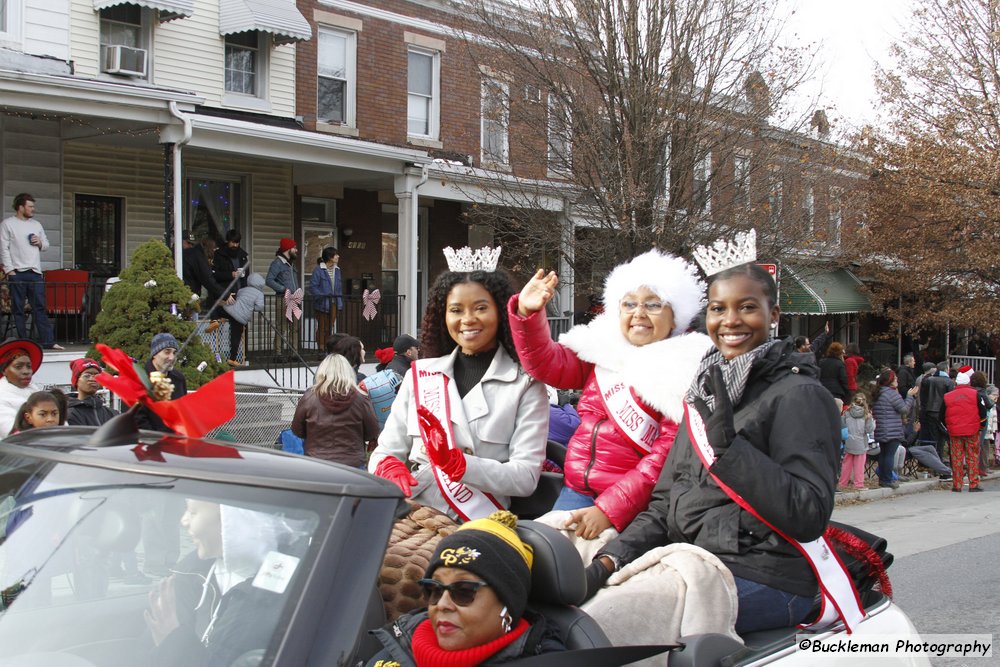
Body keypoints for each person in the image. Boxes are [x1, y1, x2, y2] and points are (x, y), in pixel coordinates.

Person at [585, 254, 843, 635]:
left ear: (773, 316)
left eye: (748, 307)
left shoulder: (800, 395)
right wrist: (610, 559)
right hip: (692, 560)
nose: (730, 320)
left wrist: (729, 451)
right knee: (576, 603)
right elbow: (665, 503)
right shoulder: (705, 388)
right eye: (718, 308)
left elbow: (808, 514)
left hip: (768, 575)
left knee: (612, 622)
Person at [508, 250, 710, 538]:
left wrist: (609, 509)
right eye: (629, 304)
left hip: (638, 506)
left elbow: (665, 458)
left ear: (675, 314)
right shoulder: (602, 349)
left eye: (653, 304)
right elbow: (546, 365)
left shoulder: (686, 367)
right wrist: (528, 315)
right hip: (576, 491)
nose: (639, 313)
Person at [369, 249, 548, 521]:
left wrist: (462, 465)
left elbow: (525, 477)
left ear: (500, 312)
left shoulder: (525, 384)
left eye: (480, 308)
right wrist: (388, 466)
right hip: (414, 516)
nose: (467, 319)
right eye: (456, 310)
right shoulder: (420, 375)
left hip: (480, 520)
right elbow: (386, 451)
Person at [366, 510, 564, 666]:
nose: (442, 604)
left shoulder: (547, 660)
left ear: (508, 603)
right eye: (434, 589)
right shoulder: (397, 646)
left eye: (464, 591)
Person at [145, 500, 303, 667]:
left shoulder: (282, 591)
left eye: (193, 512)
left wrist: (173, 643)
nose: (183, 521)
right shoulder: (190, 571)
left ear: (234, 519)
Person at [291, 353, 379, 467]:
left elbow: (297, 430)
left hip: (316, 463)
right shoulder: (360, 399)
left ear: (322, 372)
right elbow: (372, 432)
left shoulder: (309, 397)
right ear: (348, 372)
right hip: (352, 465)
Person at [0, 194, 62, 350]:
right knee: (18, 309)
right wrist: (10, 270)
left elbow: (46, 244)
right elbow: (3, 249)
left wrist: (40, 243)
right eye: (30, 206)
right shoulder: (8, 224)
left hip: (35, 272)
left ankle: (49, 341)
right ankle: (23, 342)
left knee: (40, 307)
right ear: (21, 207)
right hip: (17, 272)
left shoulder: (36, 224)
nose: (33, 209)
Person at [942, 366, 988, 492]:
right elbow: (983, 412)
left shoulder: (947, 396)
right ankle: (973, 483)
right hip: (972, 430)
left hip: (955, 431)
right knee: (972, 456)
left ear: (956, 382)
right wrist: (981, 427)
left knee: (957, 458)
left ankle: (957, 485)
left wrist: (948, 427)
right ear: (968, 382)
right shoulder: (976, 395)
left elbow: (942, 414)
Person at [871, 370, 918, 489]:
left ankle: (883, 478)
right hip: (892, 429)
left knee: (883, 454)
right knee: (889, 455)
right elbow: (904, 409)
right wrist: (909, 397)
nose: (897, 381)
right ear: (890, 381)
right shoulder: (892, 394)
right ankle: (887, 479)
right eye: (895, 379)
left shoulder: (878, 393)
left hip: (881, 428)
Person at [136, 333, 188, 434]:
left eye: (174, 353)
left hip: (177, 442)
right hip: (150, 443)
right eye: (167, 352)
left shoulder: (179, 379)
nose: (171, 357)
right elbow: (138, 419)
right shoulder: (140, 379)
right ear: (154, 354)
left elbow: (183, 412)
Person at [217, 273, 266, 367]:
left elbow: (239, 297)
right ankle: (232, 359)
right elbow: (259, 307)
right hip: (240, 317)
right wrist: (252, 308)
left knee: (220, 309)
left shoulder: (242, 289)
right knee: (235, 336)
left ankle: (214, 319)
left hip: (231, 310)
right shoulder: (259, 294)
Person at [0, 338, 43, 435]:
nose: (26, 371)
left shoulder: (35, 390)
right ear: (4, 371)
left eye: (29, 366)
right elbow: (14, 433)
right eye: (18, 367)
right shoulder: (1, 396)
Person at [266, 238, 300, 354]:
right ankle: (278, 353)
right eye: (294, 248)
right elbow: (269, 280)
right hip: (282, 299)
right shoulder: (277, 263)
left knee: (294, 328)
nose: (296, 250)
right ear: (288, 249)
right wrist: (283, 289)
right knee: (282, 327)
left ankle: (294, 352)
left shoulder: (291, 264)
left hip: (294, 299)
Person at [67, 357, 119, 426]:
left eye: (97, 375)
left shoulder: (112, 414)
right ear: (77, 381)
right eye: (87, 375)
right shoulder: (69, 414)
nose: (93, 379)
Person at [308, 247, 343, 350]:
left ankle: (328, 348)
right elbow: (313, 287)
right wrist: (323, 295)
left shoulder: (337, 270)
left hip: (334, 304)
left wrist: (339, 303)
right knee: (322, 327)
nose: (338, 256)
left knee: (329, 327)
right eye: (335, 254)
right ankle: (321, 349)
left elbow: (339, 288)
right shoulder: (318, 270)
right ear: (329, 257)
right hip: (322, 303)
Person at [839, 393, 874, 491]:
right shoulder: (866, 415)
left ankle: (843, 483)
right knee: (859, 465)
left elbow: (843, 426)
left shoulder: (847, 412)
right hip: (861, 442)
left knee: (846, 464)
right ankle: (858, 484)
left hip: (849, 441)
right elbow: (869, 430)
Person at [182, 233, 225, 307]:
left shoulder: (194, 255)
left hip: (192, 295)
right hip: (186, 295)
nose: (190, 246)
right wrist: (225, 294)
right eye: (188, 243)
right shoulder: (195, 256)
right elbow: (207, 278)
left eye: (192, 244)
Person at [212, 228, 249, 299]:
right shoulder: (219, 254)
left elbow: (247, 276)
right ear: (228, 241)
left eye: (237, 243)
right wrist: (230, 275)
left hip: (240, 295)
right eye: (232, 242)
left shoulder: (243, 256)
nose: (235, 245)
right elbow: (214, 275)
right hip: (225, 295)